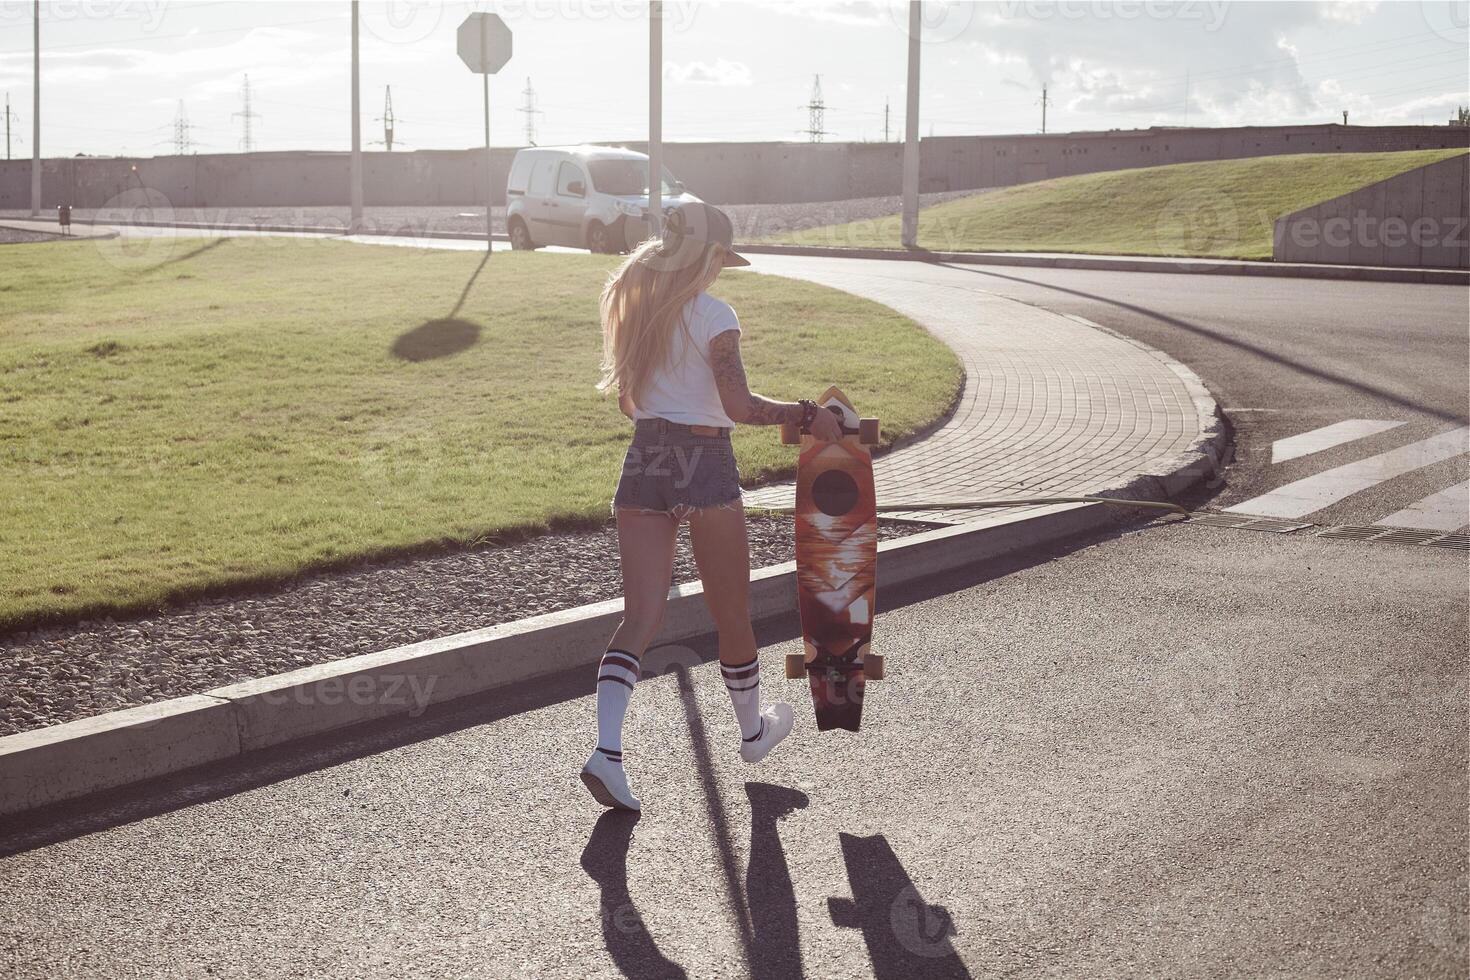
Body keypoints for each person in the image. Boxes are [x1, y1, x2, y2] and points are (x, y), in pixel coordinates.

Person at [580, 202, 843, 811]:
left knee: (640, 617)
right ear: (706, 256)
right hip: (705, 464)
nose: (722, 269)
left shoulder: (638, 309)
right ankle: (753, 734)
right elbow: (739, 405)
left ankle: (607, 753)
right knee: (731, 613)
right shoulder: (715, 314)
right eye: (721, 257)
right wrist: (807, 416)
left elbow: (629, 404)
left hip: (644, 462)